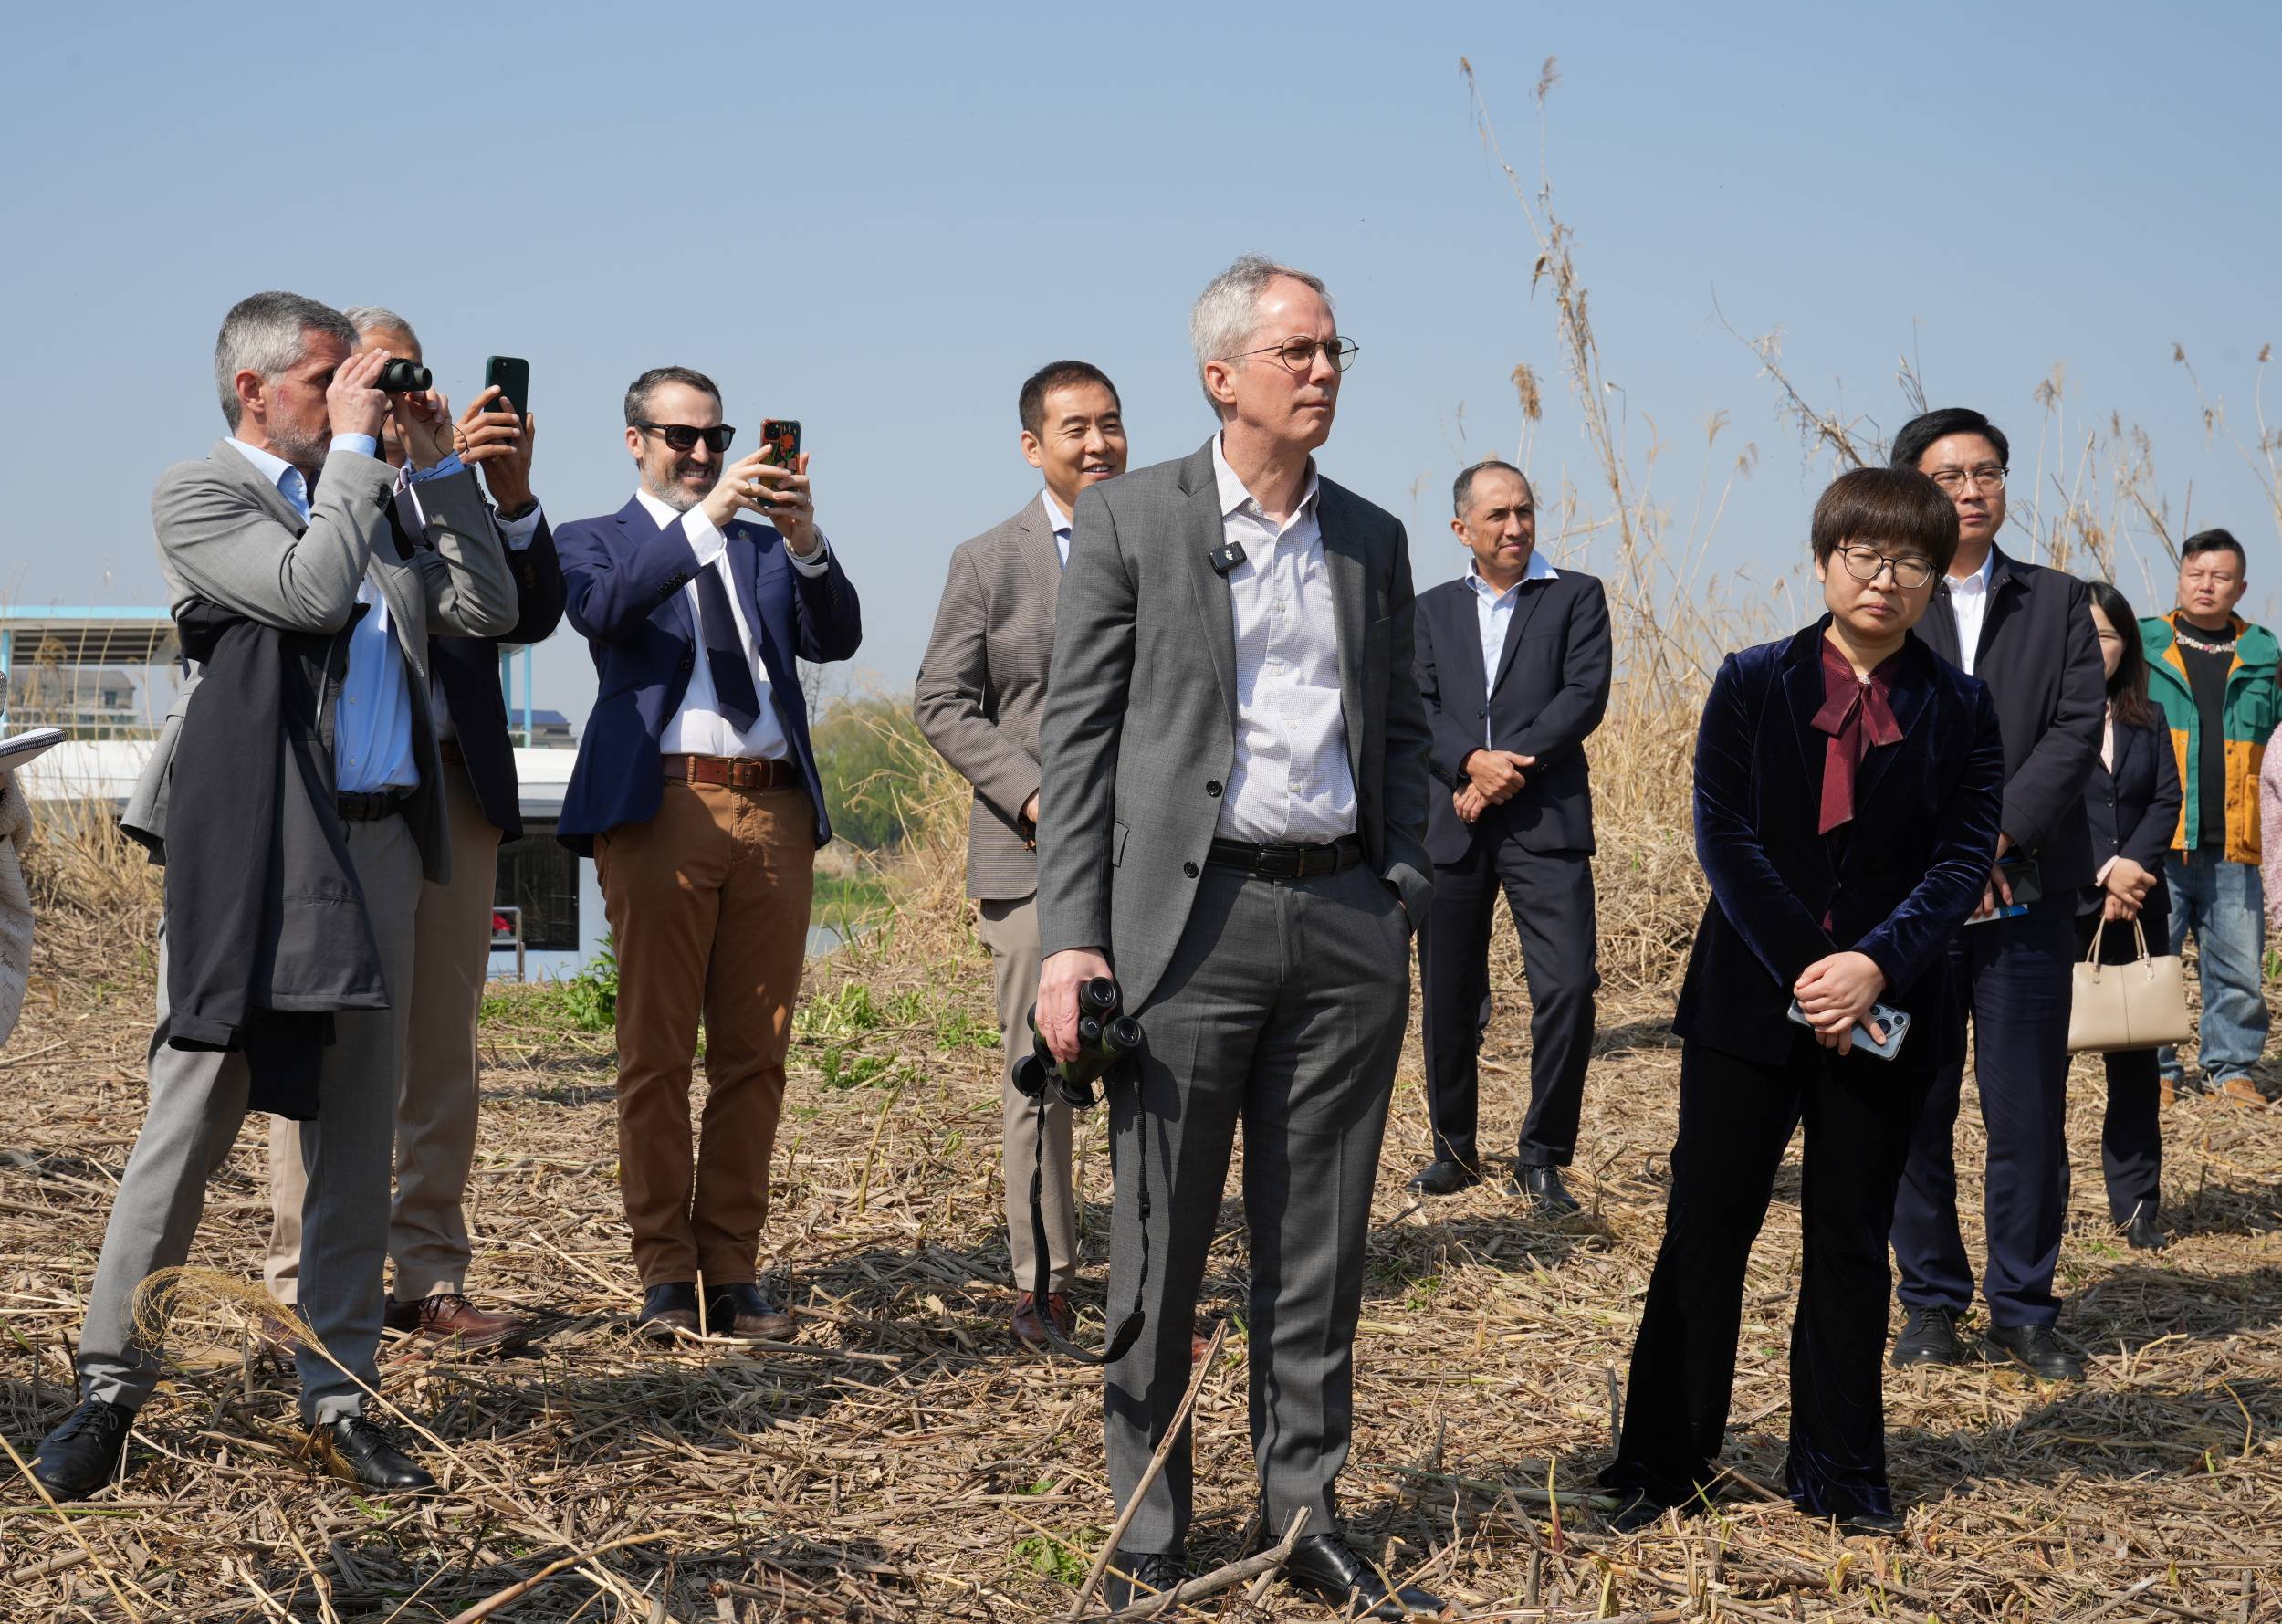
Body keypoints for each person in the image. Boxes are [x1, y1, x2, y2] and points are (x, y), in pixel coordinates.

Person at [25, 292, 517, 1500]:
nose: (350, 399)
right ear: (255, 389)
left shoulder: (380, 496)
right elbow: (305, 591)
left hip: (381, 846)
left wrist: (439, 468)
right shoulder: (201, 494)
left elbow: (490, 612)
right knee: (188, 1119)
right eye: (324, 380)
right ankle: (107, 1389)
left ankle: (340, 1395)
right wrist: (360, 455)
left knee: (354, 1132)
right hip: (252, 845)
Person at [1036, 256, 1442, 1619]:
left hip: (1340, 921)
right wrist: (1071, 941)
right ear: (1223, 375)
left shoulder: (1374, 537)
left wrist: (1395, 879)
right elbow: (1078, 741)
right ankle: (1150, 1525)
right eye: (1298, 352)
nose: (1323, 371)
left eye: (1334, 352)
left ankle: (1305, 1509)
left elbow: (1396, 727)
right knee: (1157, 1238)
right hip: (1182, 929)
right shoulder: (1134, 519)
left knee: (1316, 1238)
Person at [1604, 467, 2003, 1536]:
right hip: (1746, 995)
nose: (1885, 579)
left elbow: (1962, 860)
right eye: (1863, 556)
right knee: (1707, 1222)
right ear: (1824, 559)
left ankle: (1837, 1471)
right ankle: (1661, 1459)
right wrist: (1807, 968)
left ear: (1936, 573)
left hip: (1892, 1005)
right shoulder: (1750, 681)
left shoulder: (1960, 707)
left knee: (1847, 1235)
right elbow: (1722, 836)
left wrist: (1872, 964)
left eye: (1911, 560)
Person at [263, 306, 563, 1354]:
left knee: (442, 1049)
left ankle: (429, 1275)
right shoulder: (301, 485)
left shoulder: (443, 480)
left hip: (451, 786)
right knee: (324, 1041)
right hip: (334, 794)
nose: (391, 395)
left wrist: (499, 492)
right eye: (367, 374)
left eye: (402, 374)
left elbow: (522, 614)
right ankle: (304, 1280)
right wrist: (357, 454)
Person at [555, 366, 862, 1342]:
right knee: (654, 1054)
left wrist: (806, 540)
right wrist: (702, 524)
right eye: (679, 437)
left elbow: (839, 635)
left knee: (754, 1056)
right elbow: (605, 614)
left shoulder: (769, 551)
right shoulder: (593, 541)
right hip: (664, 806)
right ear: (634, 440)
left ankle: (732, 1273)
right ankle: (662, 1275)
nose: (700, 455)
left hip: (772, 811)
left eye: (715, 439)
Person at [1888, 405, 2105, 1383]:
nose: (1970, 491)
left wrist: (1994, 835)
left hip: (2026, 893)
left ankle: (2025, 1308)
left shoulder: (2054, 600)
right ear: (1910, 491)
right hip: (1911, 900)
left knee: (2025, 1113)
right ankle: (1929, 1301)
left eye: (1985, 473)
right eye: (1947, 477)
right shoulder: (1884, 593)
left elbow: (2071, 732)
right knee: (1912, 1106)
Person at [915, 361, 1129, 1349]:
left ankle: (1146, 1291)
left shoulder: (1166, 547)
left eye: (1110, 425)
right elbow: (941, 701)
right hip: (1031, 856)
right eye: (1074, 427)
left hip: (1147, 860)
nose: (1096, 444)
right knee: (1043, 1074)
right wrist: (1030, 791)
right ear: (1032, 444)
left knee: (1151, 1077)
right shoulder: (987, 562)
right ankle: (1041, 1283)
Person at [1410, 458, 1609, 1208]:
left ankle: (1543, 1152)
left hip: (1544, 820)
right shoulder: (1428, 611)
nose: (1516, 526)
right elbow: (1416, 705)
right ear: (1462, 528)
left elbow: (1583, 697)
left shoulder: (1577, 598)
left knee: (1567, 985)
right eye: (1497, 515)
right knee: (1449, 994)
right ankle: (1453, 1151)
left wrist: (1501, 771)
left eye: (1524, 510)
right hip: (1451, 825)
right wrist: (1467, 762)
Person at [2139, 530, 2278, 1109]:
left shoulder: (2264, 654)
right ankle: (2157, 1071)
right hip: (2159, 835)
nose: (2206, 585)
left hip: (2234, 841)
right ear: (2181, 576)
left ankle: (2231, 1069)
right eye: (2197, 573)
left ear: (2240, 587)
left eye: (2220, 577)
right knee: (2153, 962)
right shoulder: (2146, 643)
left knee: (2240, 969)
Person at [2079, 581, 2182, 1247]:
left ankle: (2137, 1202)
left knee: (2137, 1066)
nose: (2096, 647)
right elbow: (2038, 808)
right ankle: (2041, 1203)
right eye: (2083, 635)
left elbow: (2166, 800)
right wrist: (2101, 869)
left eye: (2108, 635)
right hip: (2067, 908)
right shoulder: (2042, 717)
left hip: (2140, 908)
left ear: (2127, 644)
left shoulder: (2149, 716)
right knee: (2042, 1068)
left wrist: (2131, 871)